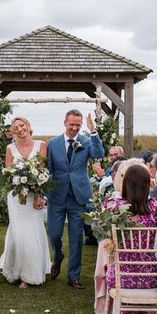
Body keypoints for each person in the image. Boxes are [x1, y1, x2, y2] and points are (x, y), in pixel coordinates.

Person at [46, 109, 104, 289]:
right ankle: (58, 256)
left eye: (78, 125)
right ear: (64, 122)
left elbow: (98, 154)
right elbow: (48, 168)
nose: (74, 128)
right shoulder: (52, 144)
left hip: (78, 196)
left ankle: (73, 276)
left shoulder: (86, 141)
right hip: (57, 195)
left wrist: (93, 131)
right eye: (71, 124)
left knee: (76, 237)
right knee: (54, 234)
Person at [104, 164, 157, 314]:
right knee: (135, 277)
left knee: (112, 271)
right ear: (147, 185)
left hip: (121, 276)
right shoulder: (156, 208)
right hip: (150, 276)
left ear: (125, 184)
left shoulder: (112, 206)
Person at [0, 117, 51, 289]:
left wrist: (38, 195)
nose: (20, 129)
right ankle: (15, 270)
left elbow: (42, 172)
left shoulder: (41, 145)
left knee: (32, 232)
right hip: (16, 198)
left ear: (28, 126)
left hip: (34, 197)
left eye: (22, 125)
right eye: (16, 128)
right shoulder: (10, 148)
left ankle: (30, 275)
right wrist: (20, 183)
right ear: (12, 132)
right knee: (17, 234)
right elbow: (7, 175)